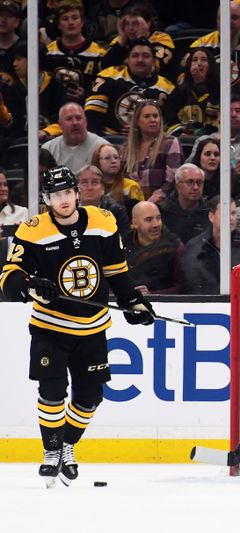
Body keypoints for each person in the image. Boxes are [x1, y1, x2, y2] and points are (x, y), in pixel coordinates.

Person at [0, 166, 155, 488]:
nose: (63, 199)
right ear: (47, 199)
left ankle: (68, 443)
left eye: (68, 192)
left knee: (90, 396)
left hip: (92, 326)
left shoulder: (102, 221)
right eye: (56, 195)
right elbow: (9, 277)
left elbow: (116, 271)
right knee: (52, 391)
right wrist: (30, 286)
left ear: (76, 193)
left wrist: (133, 302)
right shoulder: (32, 230)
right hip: (50, 326)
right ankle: (51, 451)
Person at [85, 39, 176, 136]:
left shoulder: (168, 88)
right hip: (110, 141)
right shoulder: (109, 76)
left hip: (150, 144)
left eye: (146, 56)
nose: (140, 60)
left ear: (154, 61)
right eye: (135, 55)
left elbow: (169, 125)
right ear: (127, 59)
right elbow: (92, 114)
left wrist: (144, 131)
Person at [180, 195, 240, 294]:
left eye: (233, 213)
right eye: (225, 213)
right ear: (211, 216)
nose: (231, 218)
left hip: (238, 305)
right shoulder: (195, 246)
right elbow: (189, 285)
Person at [188, 1, 240, 87]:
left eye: (234, 18)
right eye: (223, 18)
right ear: (217, 21)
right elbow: (183, 80)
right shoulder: (200, 46)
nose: (228, 22)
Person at [119, 100, 183, 203]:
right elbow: (119, 180)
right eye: (147, 116)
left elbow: (173, 180)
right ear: (137, 121)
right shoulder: (126, 149)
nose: (153, 120)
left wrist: (149, 203)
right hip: (131, 205)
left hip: (162, 205)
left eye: (155, 116)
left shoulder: (170, 143)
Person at [44, 0, 107, 104]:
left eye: (75, 18)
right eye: (65, 19)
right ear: (59, 25)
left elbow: (103, 86)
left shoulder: (99, 54)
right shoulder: (48, 52)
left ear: (82, 22)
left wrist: (86, 95)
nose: (70, 23)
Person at [0, 40, 66, 141]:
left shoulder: (55, 86)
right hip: (19, 144)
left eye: (19, 59)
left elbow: (63, 121)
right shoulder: (13, 89)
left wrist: (47, 132)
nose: (14, 64)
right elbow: (9, 124)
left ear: (34, 59)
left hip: (49, 141)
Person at [100, 3, 178, 82]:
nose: (130, 28)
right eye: (127, 24)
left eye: (135, 24)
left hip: (156, 86)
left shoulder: (162, 38)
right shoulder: (120, 40)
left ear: (147, 24)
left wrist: (141, 39)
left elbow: (149, 69)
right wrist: (121, 41)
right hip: (122, 86)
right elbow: (104, 67)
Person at [124, 200, 184, 294]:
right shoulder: (120, 246)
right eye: (149, 220)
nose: (156, 224)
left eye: (158, 218)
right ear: (135, 223)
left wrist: (152, 296)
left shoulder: (175, 247)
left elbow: (183, 288)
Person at [42, 103, 110, 174]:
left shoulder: (103, 147)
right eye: (69, 119)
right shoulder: (48, 149)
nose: (75, 123)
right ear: (60, 125)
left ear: (86, 121)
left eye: (78, 118)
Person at [169, 47, 220, 137]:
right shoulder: (179, 92)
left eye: (204, 60)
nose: (199, 63)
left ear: (211, 65)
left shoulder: (219, 91)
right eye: (195, 60)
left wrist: (196, 133)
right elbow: (169, 123)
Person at [157, 163, 211, 244]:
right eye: (190, 182)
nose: (196, 187)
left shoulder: (209, 212)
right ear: (178, 187)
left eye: (199, 182)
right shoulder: (162, 211)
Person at [76, 165, 132, 240]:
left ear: (102, 188)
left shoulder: (116, 211)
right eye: (84, 182)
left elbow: (125, 240)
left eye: (94, 182)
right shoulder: (67, 211)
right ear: (76, 188)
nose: (90, 188)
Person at [91, 143, 144, 215]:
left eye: (116, 157)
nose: (113, 161)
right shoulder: (91, 187)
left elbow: (141, 215)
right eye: (107, 158)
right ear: (97, 162)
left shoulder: (132, 186)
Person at [0, 0, 21, 87]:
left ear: (17, 22)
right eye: (0, 15)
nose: (3, 20)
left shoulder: (25, 48)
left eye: (9, 16)